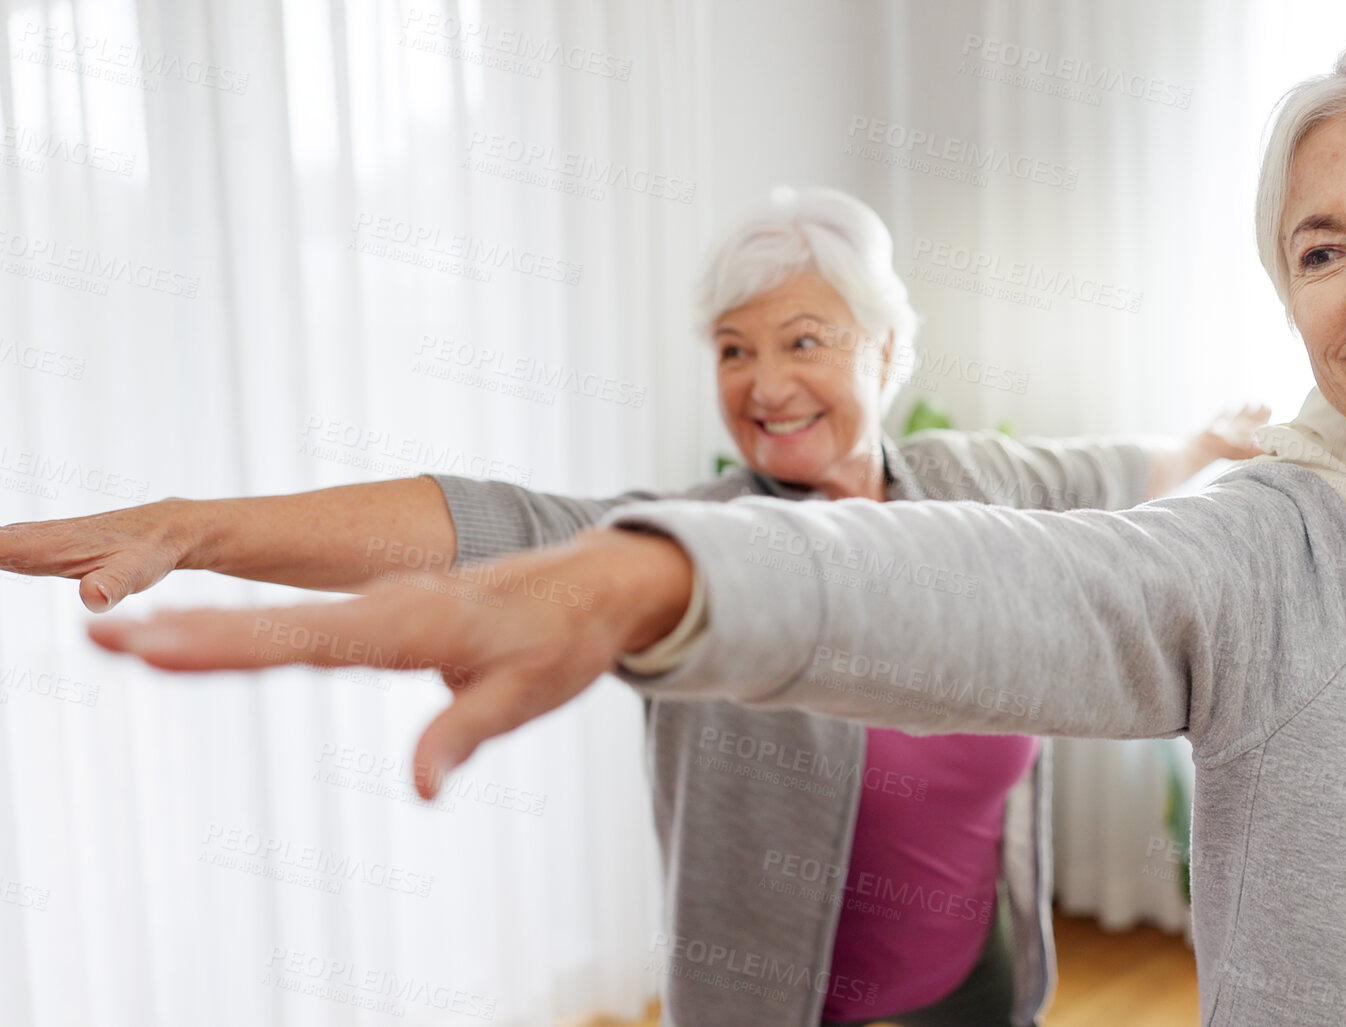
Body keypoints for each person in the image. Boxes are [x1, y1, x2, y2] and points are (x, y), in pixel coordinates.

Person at [63, 36, 1346, 1027]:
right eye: (1319, 248)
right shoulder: (1259, 553)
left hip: (977, 976)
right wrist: (655, 569)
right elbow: (985, 587)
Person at [1, 186, 1266, 1027]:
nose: (763, 382)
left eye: (805, 339)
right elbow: (489, 521)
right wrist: (204, 528)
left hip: (981, 982)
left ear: (888, 352)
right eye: (732, 347)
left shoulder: (986, 488)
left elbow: (1130, 468)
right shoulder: (686, 542)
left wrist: (1218, 437)